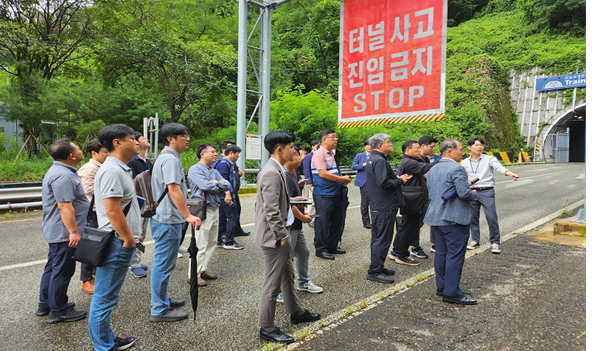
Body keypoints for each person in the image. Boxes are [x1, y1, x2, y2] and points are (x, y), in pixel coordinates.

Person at [255, 130, 321, 344]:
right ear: (279, 149)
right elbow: (271, 210)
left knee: (287, 276)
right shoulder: (272, 172)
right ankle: (266, 327)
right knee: (272, 283)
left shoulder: (276, 169)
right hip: (276, 237)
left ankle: (296, 311)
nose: (295, 150)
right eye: (292, 146)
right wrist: (282, 236)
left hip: (280, 233)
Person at [89, 124, 141, 351]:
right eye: (132, 138)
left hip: (119, 241)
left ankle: (107, 338)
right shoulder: (112, 170)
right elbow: (112, 210)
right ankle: (103, 346)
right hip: (117, 242)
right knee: (104, 298)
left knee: (107, 296)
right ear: (117, 143)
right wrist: (129, 239)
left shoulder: (120, 168)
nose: (137, 142)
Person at [149, 123, 201, 323]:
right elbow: (173, 189)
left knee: (166, 263)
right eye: (183, 135)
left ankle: (162, 300)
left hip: (166, 218)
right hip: (167, 220)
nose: (187, 139)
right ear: (171, 138)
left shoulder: (166, 158)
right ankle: (159, 308)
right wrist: (188, 215)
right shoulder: (169, 159)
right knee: (163, 264)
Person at [37, 139, 88, 324]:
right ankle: (58, 310)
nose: (82, 150)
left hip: (58, 230)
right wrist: (73, 232)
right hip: (63, 232)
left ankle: (46, 304)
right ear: (71, 156)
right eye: (79, 148)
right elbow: (65, 206)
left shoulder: (60, 171)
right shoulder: (64, 176)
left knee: (52, 268)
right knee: (63, 270)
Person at [424, 139, 478, 305]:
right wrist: (473, 193)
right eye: (461, 150)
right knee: (455, 255)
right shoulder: (457, 169)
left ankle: (442, 287)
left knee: (441, 254)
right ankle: (452, 292)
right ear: (449, 151)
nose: (463, 153)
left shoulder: (432, 169)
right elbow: (464, 193)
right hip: (454, 219)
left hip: (436, 217)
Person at [365, 134, 411, 284]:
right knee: (382, 239)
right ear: (379, 146)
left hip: (380, 205)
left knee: (379, 238)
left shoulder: (374, 159)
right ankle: (375, 271)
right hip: (384, 206)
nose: (391, 144)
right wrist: (400, 180)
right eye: (388, 142)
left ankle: (378, 266)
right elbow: (384, 182)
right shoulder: (379, 161)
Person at [461, 137, 519, 253]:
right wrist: (469, 179)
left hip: (486, 191)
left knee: (491, 217)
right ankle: (475, 240)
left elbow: (499, 168)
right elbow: (462, 175)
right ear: (469, 147)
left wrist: (509, 173)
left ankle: (495, 242)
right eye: (476, 145)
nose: (479, 147)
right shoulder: (464, 162)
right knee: (472, 218)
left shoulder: (489, 159)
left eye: (481, 145)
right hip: (472, 192)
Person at [280, 145, 323, 296]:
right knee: (285, 259)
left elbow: (293, 201)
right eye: (297, 155)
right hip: (289, 225)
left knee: (303, 252)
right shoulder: (283, 177)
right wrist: (303, 216)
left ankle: (303, 282)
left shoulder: (293, 174)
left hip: (296, 225)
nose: (300, 158)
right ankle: (280, 291)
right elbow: (286, 205)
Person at [187, 142, 231, 287]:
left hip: (215, 207)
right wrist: (218, 184)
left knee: (212, 241)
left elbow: (227, 185)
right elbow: (206, 186)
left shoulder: (213, 170)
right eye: (212, 151)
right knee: (200, 242)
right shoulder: (195, 169)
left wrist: (216, 183)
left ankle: (202, 269)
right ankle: (193, 274)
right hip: (202, 209)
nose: (215, 154)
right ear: (202, 154)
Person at [389, 140, 438, 265]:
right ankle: (402, 255)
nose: (419, 151)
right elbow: (425, 168)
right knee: (409, 228)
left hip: (412, 198)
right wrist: (444, 160)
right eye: (417, 148)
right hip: (412, 199)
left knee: (406, 226)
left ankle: (397, 251)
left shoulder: (413, 160)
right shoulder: (409, 162)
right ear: (408, 150)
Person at [311, 130, 351, 260]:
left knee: (336, 221)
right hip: (324, 194)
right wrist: (341, 179)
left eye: (336, 137)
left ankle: (332, 246)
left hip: (336, 193)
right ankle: (321, 249)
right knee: (322, 222)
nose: (336, 139)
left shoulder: (331, 154)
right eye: (333, 137)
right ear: (324, 139)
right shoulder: (319, 154)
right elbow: (322, 173)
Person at [77, 139, 109, 294]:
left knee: (101, 246)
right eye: (104, 152)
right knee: (91, 246)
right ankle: (86, 278)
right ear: (94, 153)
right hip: (93, 212)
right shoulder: (90, 169)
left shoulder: (102, 167)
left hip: (101, 212)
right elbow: (87, 192)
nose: (107, 154)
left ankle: (96, 274)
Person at [127, 131, 152, 278]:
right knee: (136, 232)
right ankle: (134, 265)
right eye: (142, 138)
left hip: (146, 201)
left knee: (142, 232)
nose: (145, 139)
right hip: (136, 202)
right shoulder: (132, 161)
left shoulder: (147, 161)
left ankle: (136, 261)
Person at [215, 140, 250, 239]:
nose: (238, 156)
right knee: (229, 216)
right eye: (237, 153)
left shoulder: (230, 163)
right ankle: (227, 239)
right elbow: (223, 180)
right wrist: (227, 193)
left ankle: (227, 235)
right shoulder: (223, 163)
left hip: (232, 192)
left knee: (234, 214)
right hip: (226, 194)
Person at [418, 135, 440, 253]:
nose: (433, 149)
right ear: (423, 146)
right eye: (431, 147)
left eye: (434, 147)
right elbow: (426, 175)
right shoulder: (416, 160)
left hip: (433, 194)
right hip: (421, 196)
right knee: (418, 222)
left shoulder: (433, 158)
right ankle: (413, 246)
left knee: (435, 219)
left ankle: (436, 244)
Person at [351, 139, 372, 229]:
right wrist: (363, 165)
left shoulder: (376, 155)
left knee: (375, 201)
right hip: (364, 181)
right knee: (365, 202)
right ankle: (366, 221)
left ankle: (375, 220)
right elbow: (353, 166)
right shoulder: (360, 156)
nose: (371, 146)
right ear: (365, 147)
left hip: (375, 181)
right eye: (369, 145)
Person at [301, 139, 319, 224]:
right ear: (312, 146)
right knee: (311, 201)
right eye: (316, 145)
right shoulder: (309, 156)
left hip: (318, 182)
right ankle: (311, 219)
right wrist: (309, 182)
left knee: (317, 200)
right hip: (312, 181)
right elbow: (306, 170)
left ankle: (316, 218)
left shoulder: (319, 155)